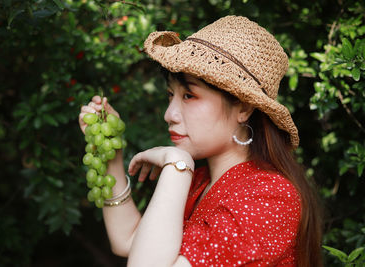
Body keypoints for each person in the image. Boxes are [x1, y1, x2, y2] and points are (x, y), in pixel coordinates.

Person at [79, 16, 323, 267]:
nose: (169, 115)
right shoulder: (201, 183)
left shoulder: (270, 196)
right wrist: (112, 157)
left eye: (189, 96)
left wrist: (177, 163)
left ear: (244, 108)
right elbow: (129, 240)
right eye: (170, 95)